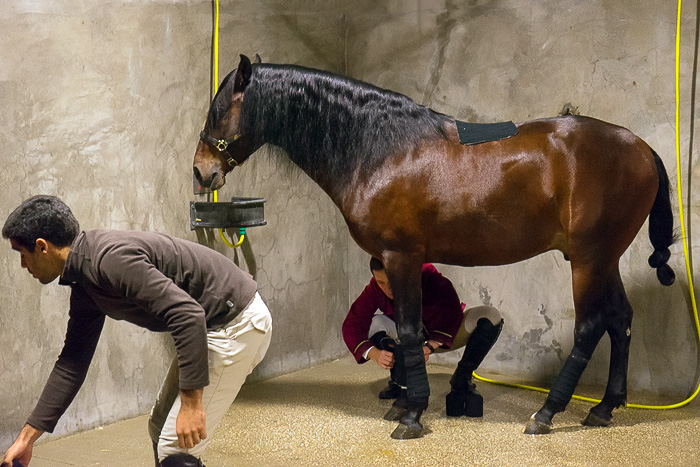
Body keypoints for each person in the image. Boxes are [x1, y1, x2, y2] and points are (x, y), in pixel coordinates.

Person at [0, 195, 272, 467]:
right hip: (211, 326)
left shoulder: (108, 260)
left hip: (235, 322)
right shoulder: (84, 282)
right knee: (160, 426)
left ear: (42, 247)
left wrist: (192, 405)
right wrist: (28, 437)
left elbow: (187, 315)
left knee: (175, 450)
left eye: (23, 256)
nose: (24, 266)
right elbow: (72, 363)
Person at [342, 257, 503, 417]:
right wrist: (374, 353)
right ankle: (398, 381)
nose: (388, 289)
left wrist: (430, 346)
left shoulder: (432, 279)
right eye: (381, 282)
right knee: (375, 323)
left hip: (442, 337)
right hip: (406, 338)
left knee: (490, 315)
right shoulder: (375, 288)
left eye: (392, 281)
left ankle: (463, 376)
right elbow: (352, 323)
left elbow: (452, 312)